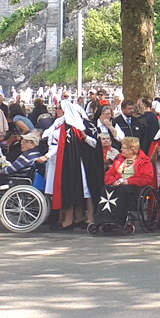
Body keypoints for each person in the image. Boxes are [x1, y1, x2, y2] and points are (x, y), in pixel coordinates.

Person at [42, 99, 102, 232]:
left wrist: (47, 156)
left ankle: (70, 220)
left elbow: (66, 145)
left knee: (71, 188)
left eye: (58, 108)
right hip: (60, 160)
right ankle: (66, 218)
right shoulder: (59, 124)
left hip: (71, 161)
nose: (56, 111)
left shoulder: (71, 127)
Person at [95, 137, 157, 229]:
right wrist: (113, 181)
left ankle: (118, 219)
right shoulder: (119, 159)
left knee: (123, 190)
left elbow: (147, 178)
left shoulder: (145, 161)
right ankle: (102, 219)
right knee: (106, 189)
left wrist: (129, 181)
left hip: (134, 186)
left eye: (123, 148)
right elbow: (109, 174)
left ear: (132, 150)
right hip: (118, 184)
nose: (121, 149)